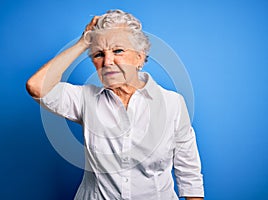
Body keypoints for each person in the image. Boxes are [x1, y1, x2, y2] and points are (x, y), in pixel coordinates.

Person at [26, 9, 204, 200]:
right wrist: (83, 42)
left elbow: (189, 174)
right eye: (98, 54)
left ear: (140, 57)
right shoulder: (86, 99)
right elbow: (36, 86)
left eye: (118, 50)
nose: (108, 61)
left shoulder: (173, 104)